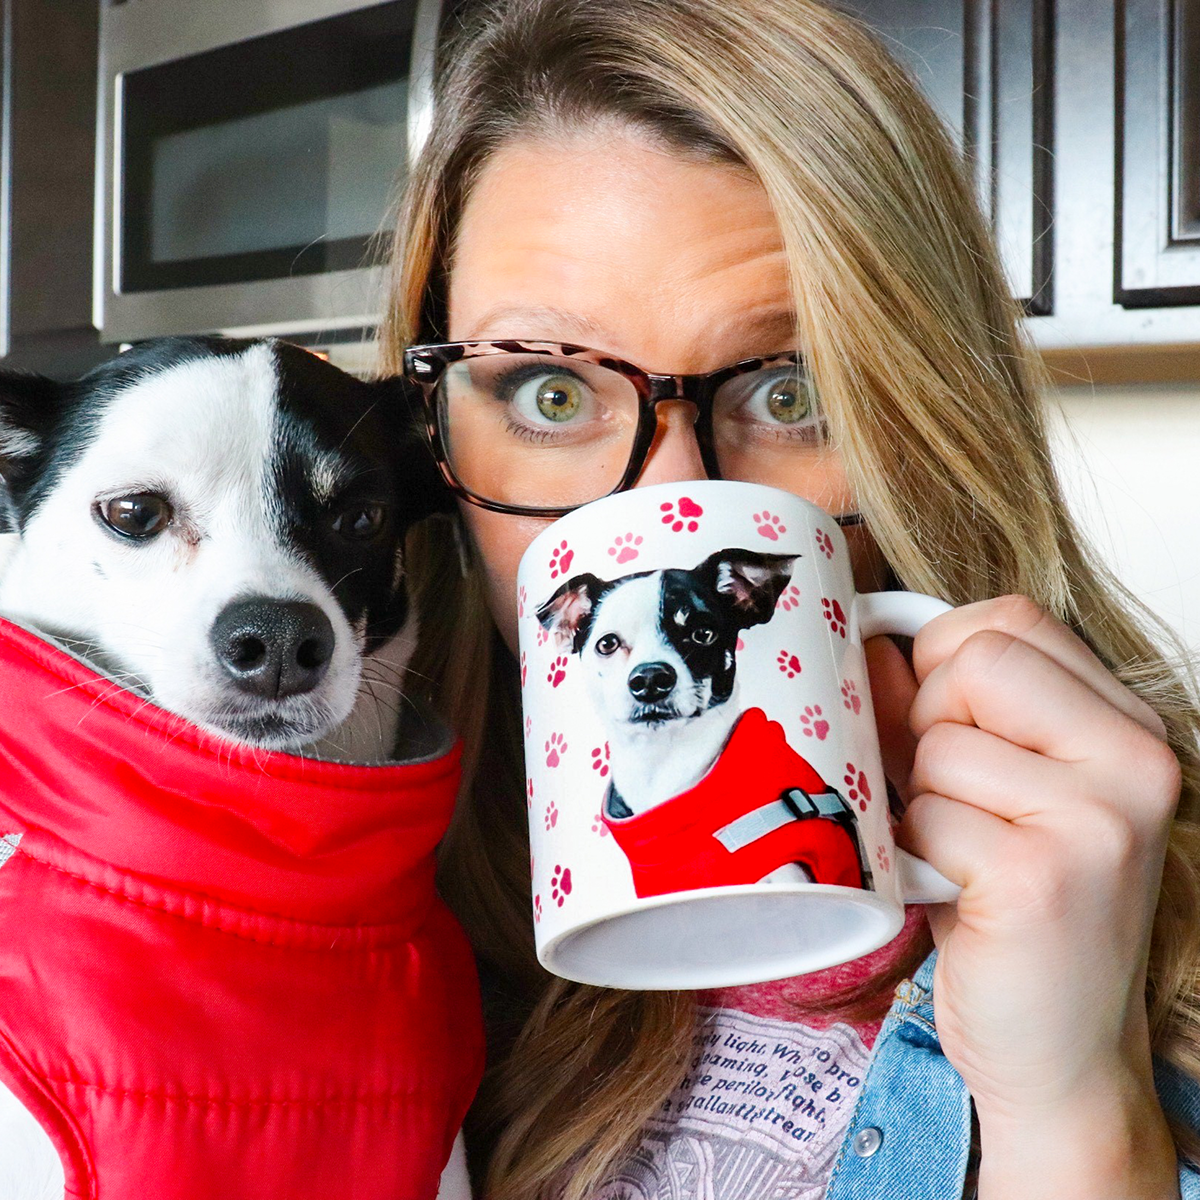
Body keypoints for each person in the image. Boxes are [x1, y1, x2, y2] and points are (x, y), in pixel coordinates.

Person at [380, 0, 1200, 1196]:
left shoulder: (1137, 904)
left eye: (790, 386)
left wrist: (1076, 1107)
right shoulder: (356, 928)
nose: (669, 501)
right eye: (550, 394)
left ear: (927, 420)